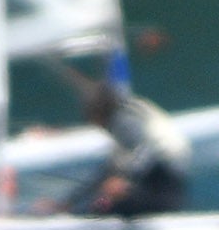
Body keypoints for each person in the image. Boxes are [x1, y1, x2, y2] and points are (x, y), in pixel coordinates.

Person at [64, 92, 190, 220]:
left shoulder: (124, 121)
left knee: (114, 202)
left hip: (163, 176)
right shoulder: (125, 117)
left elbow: (146, 151)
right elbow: (110, 169)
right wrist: (71, 200)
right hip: (167, 174)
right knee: (109, 194)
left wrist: (124, 180)